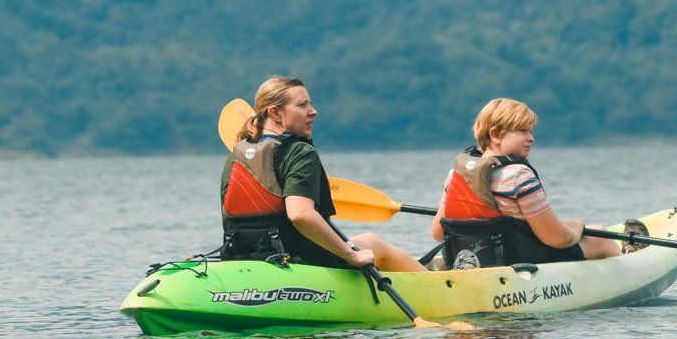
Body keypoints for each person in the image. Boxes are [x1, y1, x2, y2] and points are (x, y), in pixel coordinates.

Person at [221, 77, 426, 273]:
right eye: (302, 105)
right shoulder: (300, 152)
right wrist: (353, 256)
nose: (313, 112)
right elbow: (300, 214)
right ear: (275, 113)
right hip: (297, 260)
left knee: (363, 242)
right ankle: (437, 284)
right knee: (373, 242)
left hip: (241, 257)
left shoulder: (237, 155)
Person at [430, 97, 620, 268]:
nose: (531, 138)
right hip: (524, 264)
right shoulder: (519, 176)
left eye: (531, 131)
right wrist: (576, 227)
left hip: (474, 260)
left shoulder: (456, 175)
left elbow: (438, 233)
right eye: (522, 131)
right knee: (598, 235)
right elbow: (557, 239)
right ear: (495, 135)